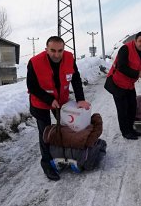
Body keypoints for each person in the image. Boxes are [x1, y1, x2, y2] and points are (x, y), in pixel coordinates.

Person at [27, 36, 90, 181]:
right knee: (46, 133)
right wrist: (50, 100)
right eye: (53, 50)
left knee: (67, 127)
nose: (57, 54)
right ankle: (47, 163)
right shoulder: (35, 62)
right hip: (40, 102)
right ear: (46, 49)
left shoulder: (69, 58)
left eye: (60, 50)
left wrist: (80, 99)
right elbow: (32, 87)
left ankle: (66, 154)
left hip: (61, 100)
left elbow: (75, 78)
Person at [104, 31, 141, 140]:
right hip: (117, 83)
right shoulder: (125, 49)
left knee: (132, 107)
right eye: (140, 41)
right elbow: (121, 66)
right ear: (135, 40)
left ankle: (131, 129)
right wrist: (137, 73)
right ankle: (125, 132)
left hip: (129, 84)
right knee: (122, 109)